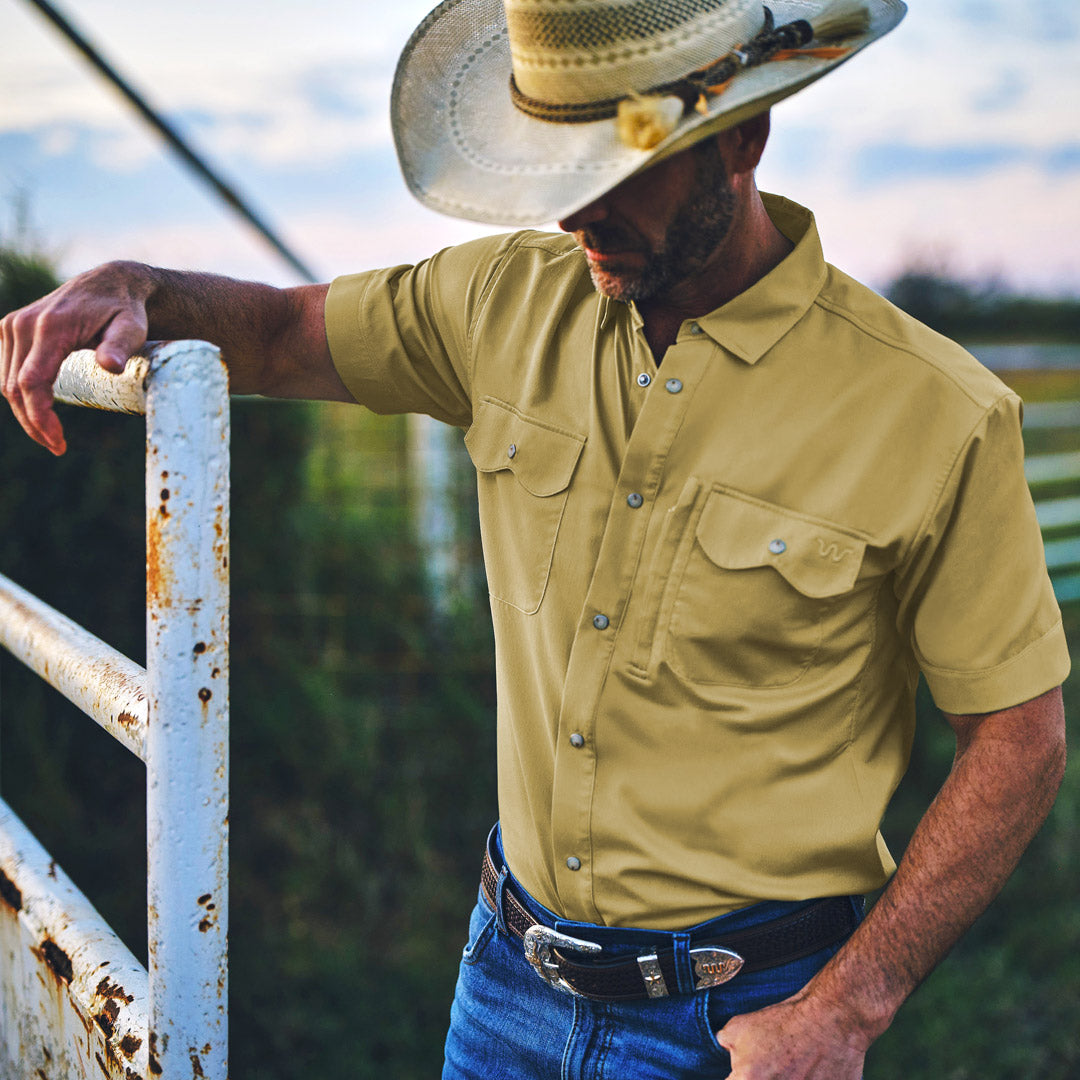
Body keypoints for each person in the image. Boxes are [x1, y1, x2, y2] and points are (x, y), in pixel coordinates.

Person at [1, 0, 1070, 1076]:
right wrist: (138, 286)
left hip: (748, 1025)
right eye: (557, 165)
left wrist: (847, 1010)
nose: (577, 214)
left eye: (621, 162)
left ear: (742, 139)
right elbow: (281, 332)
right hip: (505, 985)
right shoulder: (502, 301)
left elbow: (1020, 738)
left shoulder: (934, 411)